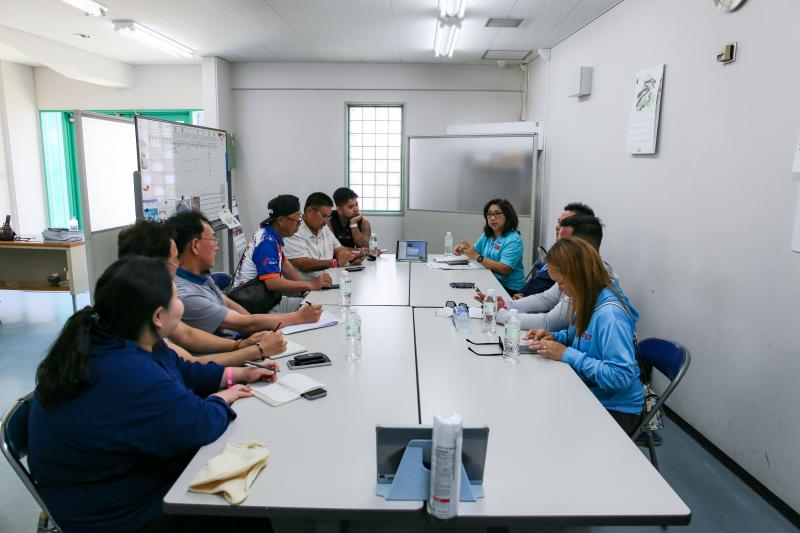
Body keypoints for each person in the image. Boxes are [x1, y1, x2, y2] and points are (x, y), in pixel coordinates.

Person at [28, 256, 278, 532]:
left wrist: (241, 374)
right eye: (175, 296)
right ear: (159, 316)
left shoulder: (124, 338)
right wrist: (222, 399)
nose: (181, 302)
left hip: (122, 477)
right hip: (118, 515)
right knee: (246, 514)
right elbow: (201, 425)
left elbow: (189, 372)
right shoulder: (127, 371)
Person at [118, 220, 287, 365]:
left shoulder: (141, 301)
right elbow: (191, 365)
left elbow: (187, 335)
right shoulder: (137, 325)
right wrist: (256, 351)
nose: (178, 265)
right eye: (175, 259)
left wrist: (240, 346)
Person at [525, 238, 643, 435]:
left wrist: (567, 354)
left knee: (546, 427)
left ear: (579, 276)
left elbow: (620, 376)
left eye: (561, 283)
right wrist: (555, 337)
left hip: (616, 409)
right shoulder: (587, 298)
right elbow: (578, 336)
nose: (559, 289)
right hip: (590, 391)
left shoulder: (610, 316)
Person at [169, 210, 322, 334]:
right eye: (213, 240)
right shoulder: (186, 295)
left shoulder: (202, 277)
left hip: (250, 321)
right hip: (253, 314)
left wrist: (255, 332)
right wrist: (299, 316)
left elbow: (234, 308)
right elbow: (245, 324)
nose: (217, 247)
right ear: (195, 245)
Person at [482, 214, 618, 333]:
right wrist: (507, 305)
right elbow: (547, 299)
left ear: (583, 246)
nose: (558, 246)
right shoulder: (577, 272)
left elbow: (551, 323)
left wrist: (500, 314)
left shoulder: (590, 280)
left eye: (564, 242)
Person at [232, 195, 333, 309]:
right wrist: (311, 284)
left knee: (318, 306)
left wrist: (305, 290)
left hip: (264, 298)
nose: (300, 224)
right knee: (317, 311)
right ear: (281, 220)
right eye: (297, 219)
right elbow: (272, 283)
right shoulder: (266, 242)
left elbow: (286, 267)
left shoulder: (271, 235)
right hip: (252, 304)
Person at [515, 201, 596, 298]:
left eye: (565, 224)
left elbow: (550, 304)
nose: (558, 227)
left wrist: (522, 303)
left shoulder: (577, 266)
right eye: (559, 222)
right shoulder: (557, 255)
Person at [283, 192, 365, 280]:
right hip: (306, 290)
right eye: (324, 216)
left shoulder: (323, 227)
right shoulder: (294, 230)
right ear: (309, 211)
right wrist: (334, 262)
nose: (326, 221)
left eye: (328, 217)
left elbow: (338, 249)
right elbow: (301, 263)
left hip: (328, 282)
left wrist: (348, 257)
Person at [453, 198, 525, 294]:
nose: (492, 218)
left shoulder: (513, 239)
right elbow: (474, 251)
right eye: (489, 214)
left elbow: (505, 269)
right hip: (489, 280)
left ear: (508, 216)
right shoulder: (488, 235)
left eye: (497, 213)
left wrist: (477, 257)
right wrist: (462, 249)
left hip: (508, 289)